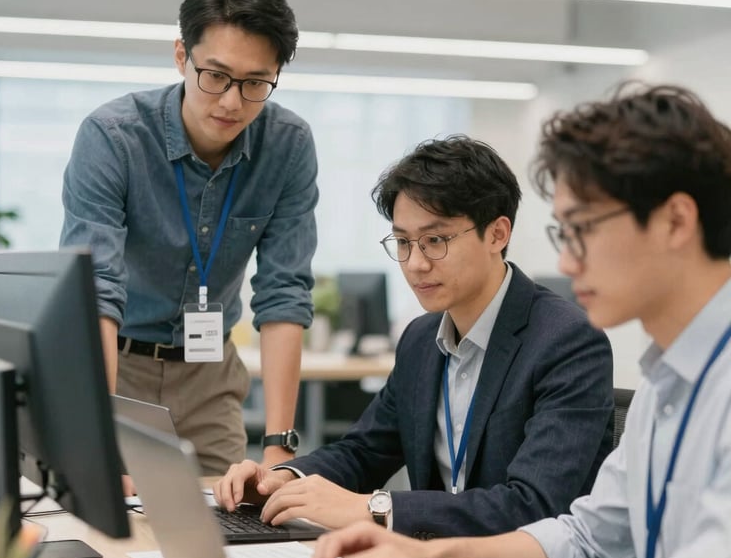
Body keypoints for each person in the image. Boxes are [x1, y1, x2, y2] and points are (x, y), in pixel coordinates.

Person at [309, 84, 731, 558]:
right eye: (563, 235)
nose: (565, 263)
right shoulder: (670, 383)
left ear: (676, 220)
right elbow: (586, 541)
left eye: (582, 229)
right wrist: (422, 555)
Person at [215, 134, 614, 537]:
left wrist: (374, 507)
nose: (415, 263)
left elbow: (532, 506)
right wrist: (282, 479)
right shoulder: (422, 339)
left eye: (435, 241)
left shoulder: (567, 342)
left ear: (497, 234)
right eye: (403, 242)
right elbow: (364, 451)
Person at [60, 0, 318, 478]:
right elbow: (97, 293)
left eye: (255, 83)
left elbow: (284, 293)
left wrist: (279, 449)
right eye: (216, 76)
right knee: (114, 528)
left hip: (210, 378)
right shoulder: (114, 138)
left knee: (236, 525)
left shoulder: (287, 146)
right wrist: (98, 429)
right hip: (118, 368)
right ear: (182, 55)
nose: (231, 102)